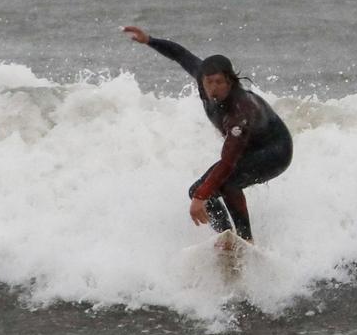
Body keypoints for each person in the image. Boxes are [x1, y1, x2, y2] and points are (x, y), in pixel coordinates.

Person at [123, 24, 292, 243]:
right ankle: (227, 238)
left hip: (275, 151)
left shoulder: (241, 110)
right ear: (202, 79)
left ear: (229, 81)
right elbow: (180, 54)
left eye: (219, 82)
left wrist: (201, 197)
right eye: (209, 82)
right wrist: (149, 40)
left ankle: (246, 239)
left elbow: (229, 161)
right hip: (247, 149)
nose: (213, 88)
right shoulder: (203, 80)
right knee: (197, 189)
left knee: (226, 183)